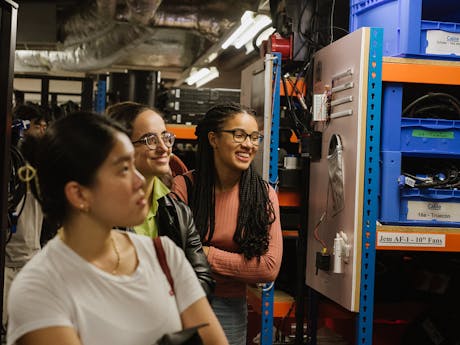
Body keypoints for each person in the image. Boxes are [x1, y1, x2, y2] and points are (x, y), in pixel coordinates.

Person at [6, 112, 227, 345]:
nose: (140, 181)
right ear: (79, 194)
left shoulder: (164, 255)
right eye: (123, 169)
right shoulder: (40, 288)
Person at [172, 103, 283, 345]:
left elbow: (268, 267)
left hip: (230, 309)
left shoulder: (263, 195)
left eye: (255, 137)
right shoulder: (185, 187)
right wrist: (237, 265)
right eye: (239, 135)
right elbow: (174, 257)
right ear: (213, 139)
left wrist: (206, 253)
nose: (249, 144)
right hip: (181, 302)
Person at [106, 101, 215, 298]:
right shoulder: (99, 211)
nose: (164, 147)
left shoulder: (177, 211)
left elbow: (202, 278)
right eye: (150, 140)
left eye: (165, 137)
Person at [3, 104, 46, 330]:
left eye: (44, 126)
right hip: (7, 264)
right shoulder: (10, 166)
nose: (42, 131)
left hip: (32, 259)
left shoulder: (41, 168)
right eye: (37, 126)